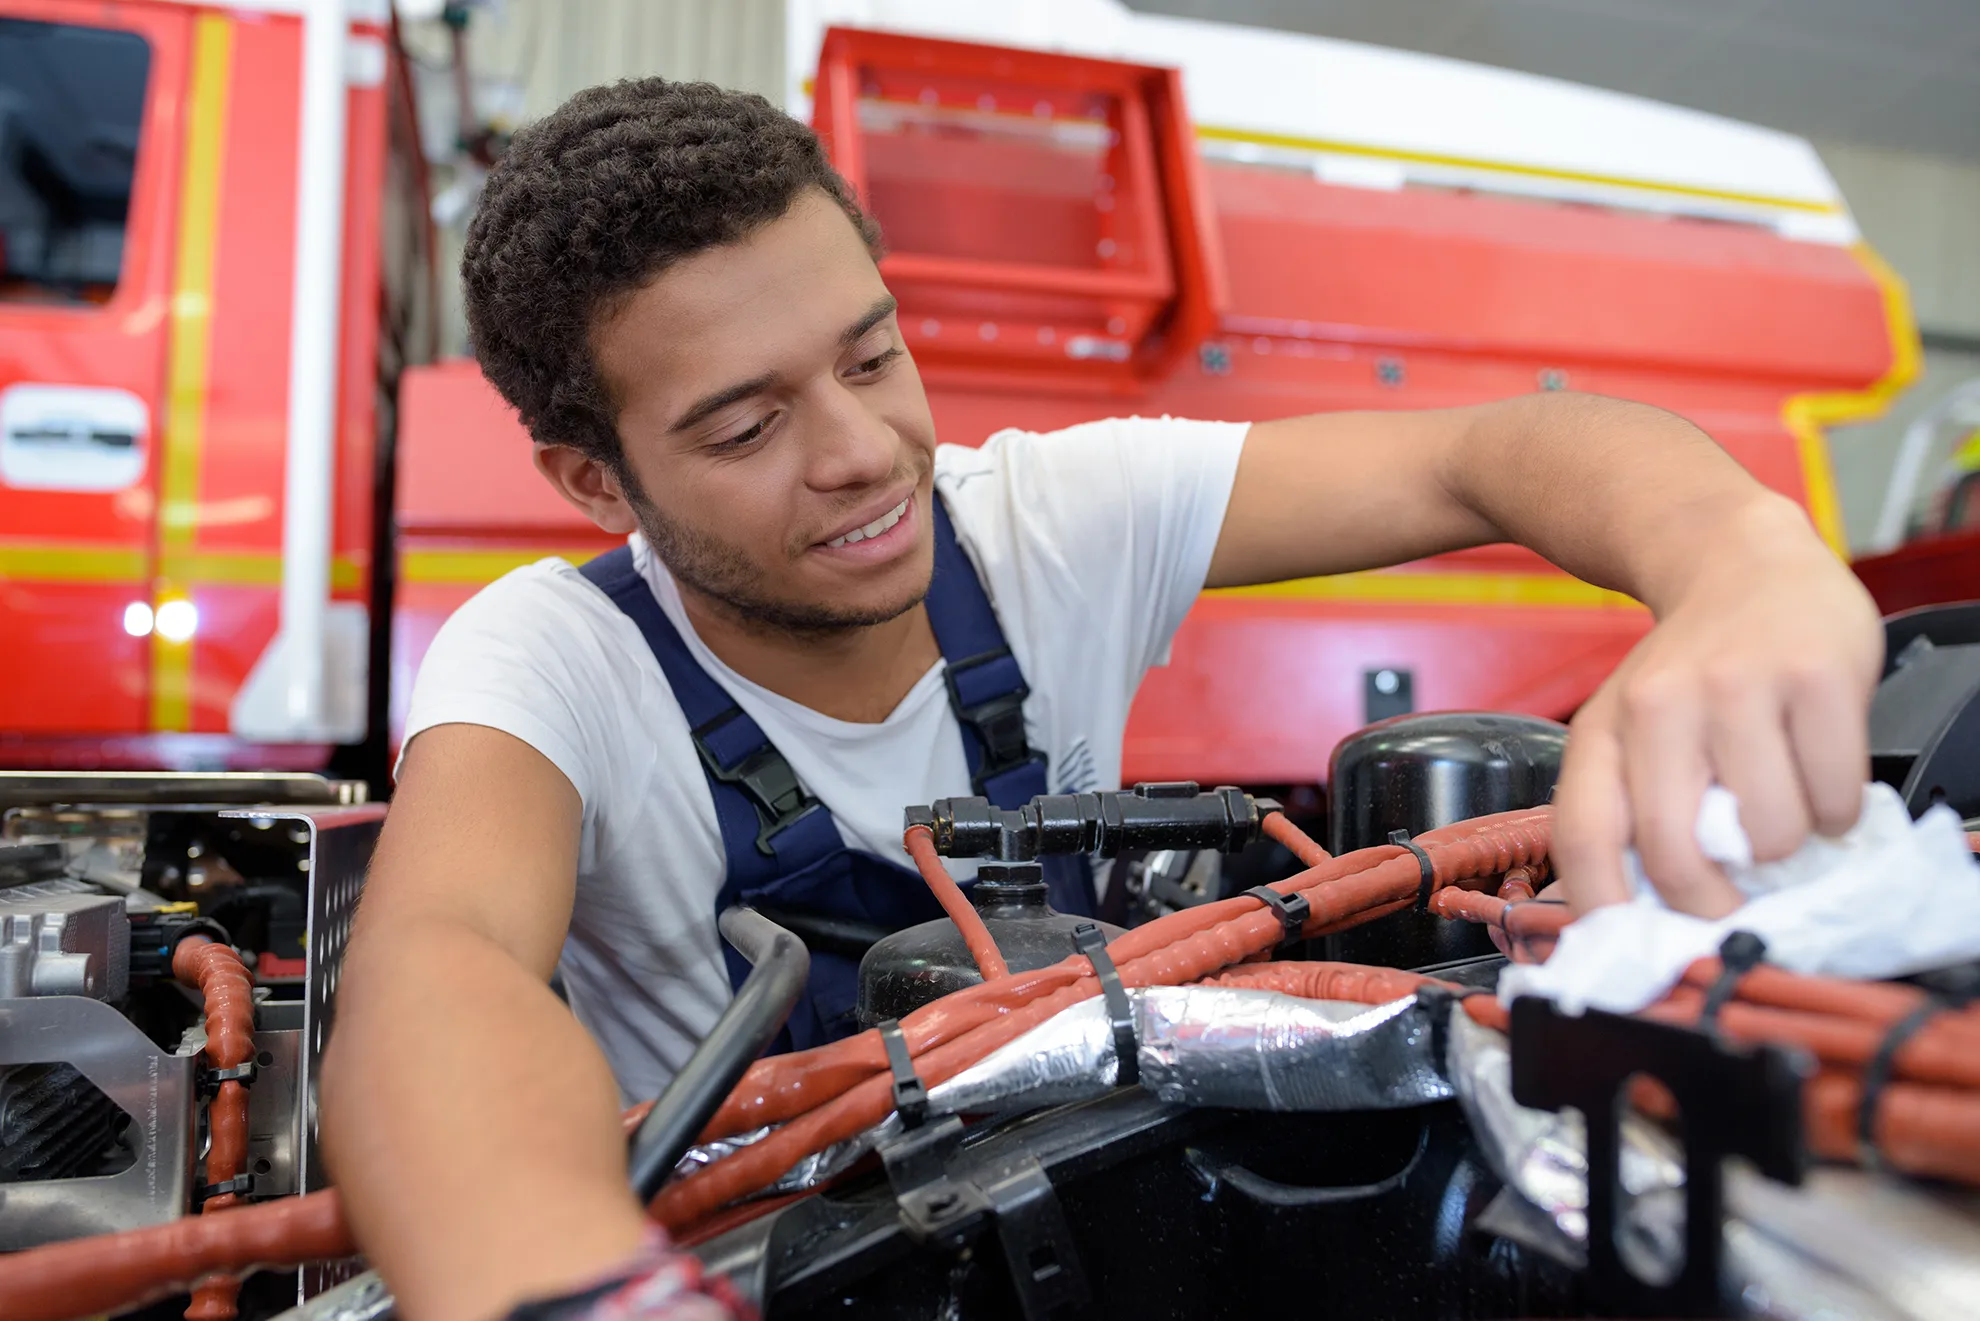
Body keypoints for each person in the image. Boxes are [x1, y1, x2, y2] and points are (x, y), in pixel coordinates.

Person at [320, 77, 1882, 1321]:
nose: (861, 448)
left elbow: (1489, 450)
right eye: (745, 429)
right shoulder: (547, 660)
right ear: (598, 479)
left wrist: (1741, 560)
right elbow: (440, 969)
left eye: (872, 357)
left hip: (1108, 1219)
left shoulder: (1047, 524)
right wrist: (577, 1289)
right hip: (773, 1260)